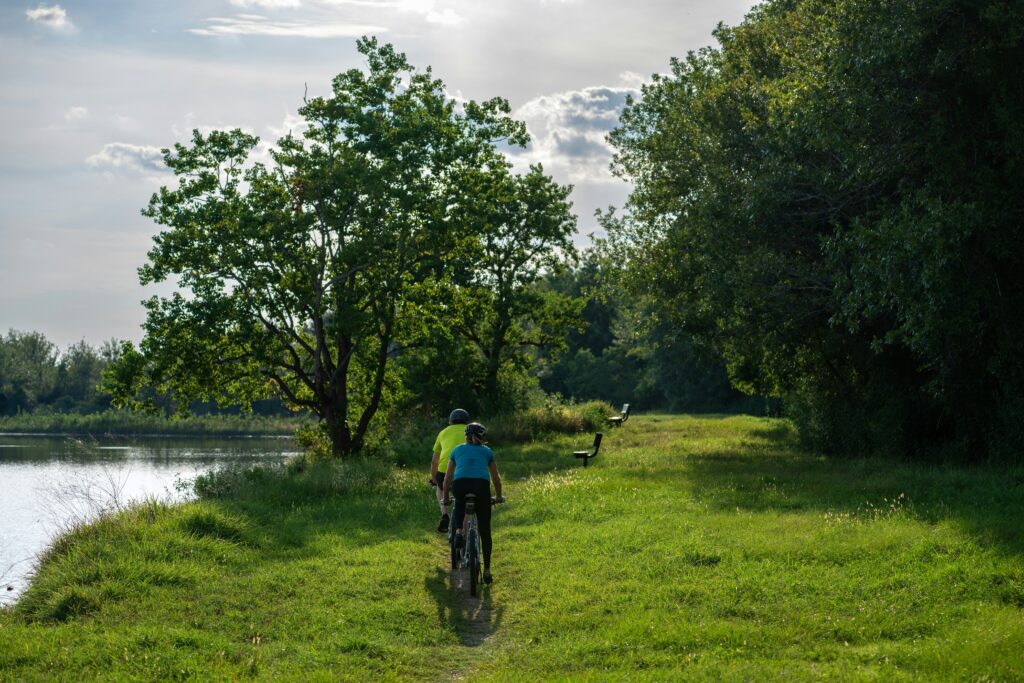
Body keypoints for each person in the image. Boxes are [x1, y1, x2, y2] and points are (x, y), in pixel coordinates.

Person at [442, 422, 504, 584]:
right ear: (482, 437)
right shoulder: (487, 451)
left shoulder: (457, 450)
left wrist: (447, 498)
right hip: (481, 487)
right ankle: (487, 571)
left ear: (466, 436)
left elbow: (448, 478)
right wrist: (498, 496)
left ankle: (458, 533)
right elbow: (496, 479)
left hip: (460, 485)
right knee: (485, 530)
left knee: (459, 505)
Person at [430, 408, 470, 532]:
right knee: (466, 498)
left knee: (440, 487)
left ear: (450, 421)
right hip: (467, 473)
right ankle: (463, 529)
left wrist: (434, 479)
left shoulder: (442, 433)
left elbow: (434, 461)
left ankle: (445, 514)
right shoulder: (470, 430)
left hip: (445, 472)